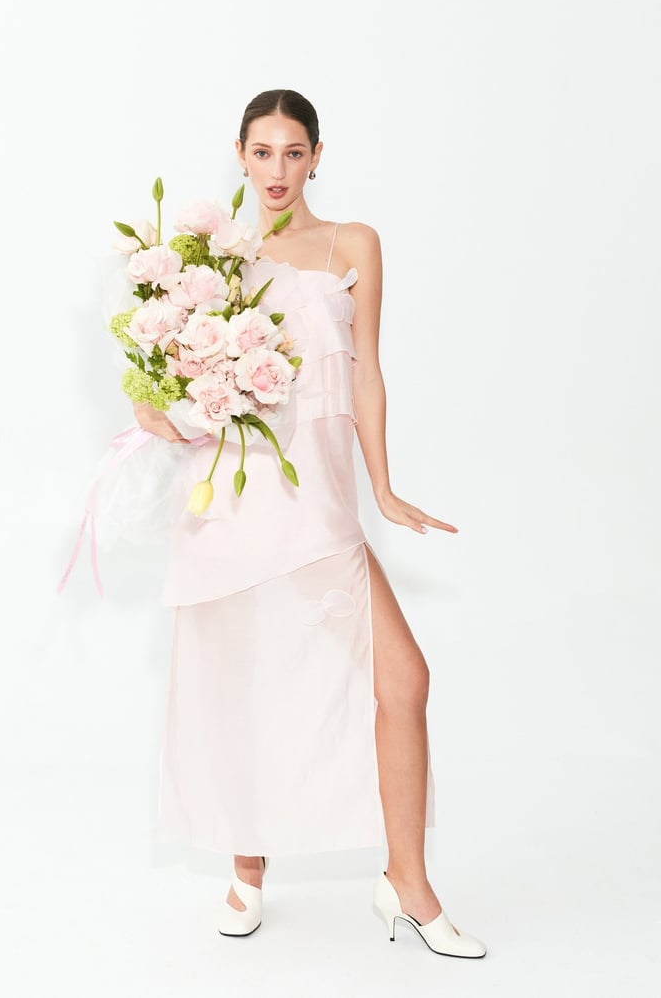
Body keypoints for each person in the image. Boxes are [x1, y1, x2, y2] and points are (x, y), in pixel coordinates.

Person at [132, 89, 486, 958]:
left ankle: (407, 882)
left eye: (294, 152)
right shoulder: (216, 261)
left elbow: (367, 373)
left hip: (320, 498)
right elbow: (169, 380)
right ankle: (247, 867)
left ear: (317, 157)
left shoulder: (353, 243)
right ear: (241, 155)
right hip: (240, 494)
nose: (278, 170)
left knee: (404, 681)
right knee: (242, 677)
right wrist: (157, 410)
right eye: (263, 152)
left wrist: (384, 488)